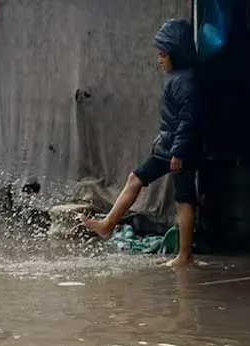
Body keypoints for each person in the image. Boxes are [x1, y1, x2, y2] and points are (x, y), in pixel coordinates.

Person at [81, 18, 200, 268]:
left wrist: (177, 152)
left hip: (176, 150)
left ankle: (184, 256)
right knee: (140, 180)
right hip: (170, 147)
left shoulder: (185, 82)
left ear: (176, 55)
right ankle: (108, 224)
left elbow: (188, 122)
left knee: (183, 199)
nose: (159, 60)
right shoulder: (179, 77)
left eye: (162, 56)